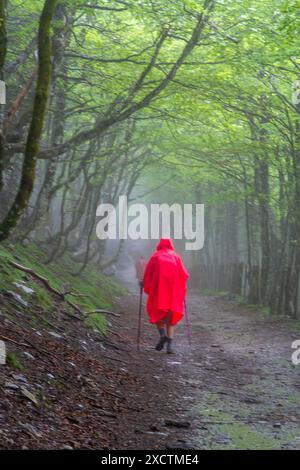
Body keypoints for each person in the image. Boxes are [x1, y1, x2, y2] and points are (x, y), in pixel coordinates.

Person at [143, 238, 189, 354]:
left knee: (158, 313)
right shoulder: (176, 256)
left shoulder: (155, 256)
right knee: (171, 318)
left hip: (159, 291)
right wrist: (181, 288)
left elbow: (148, 273)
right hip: (173, 292)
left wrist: (145, 284)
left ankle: (162, 335)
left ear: (159, 245)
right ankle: (169, 346)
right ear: (170, 245)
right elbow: (184, 274)